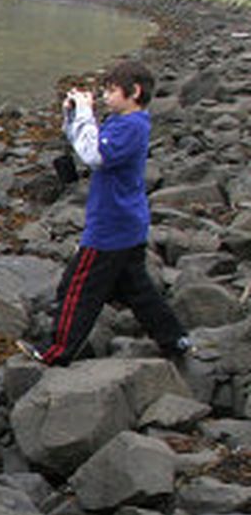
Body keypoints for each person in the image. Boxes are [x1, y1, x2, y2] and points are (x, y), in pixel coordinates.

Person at [20, 60, 192, 366]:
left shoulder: (131, 126)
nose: (105, 97)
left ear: (134, 91)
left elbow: (94, 156)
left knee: (77, 288)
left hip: (110, 227)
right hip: (127, 223)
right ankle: (174, 338)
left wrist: (85, 112)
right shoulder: (123, 122)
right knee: (137, 290)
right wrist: (73, 115)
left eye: (111, 91)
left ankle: (56, 351)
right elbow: (84, 143)